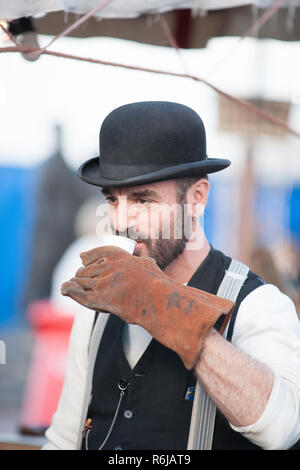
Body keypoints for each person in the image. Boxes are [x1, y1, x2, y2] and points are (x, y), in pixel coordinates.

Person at [42, 101, 300, 451]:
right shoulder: (96, 310)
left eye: (143, 200)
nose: (121, 221)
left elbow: (280, 430)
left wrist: (166, 307)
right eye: (113, 200)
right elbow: (63, 441)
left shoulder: (258, 305)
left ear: (196, 198)